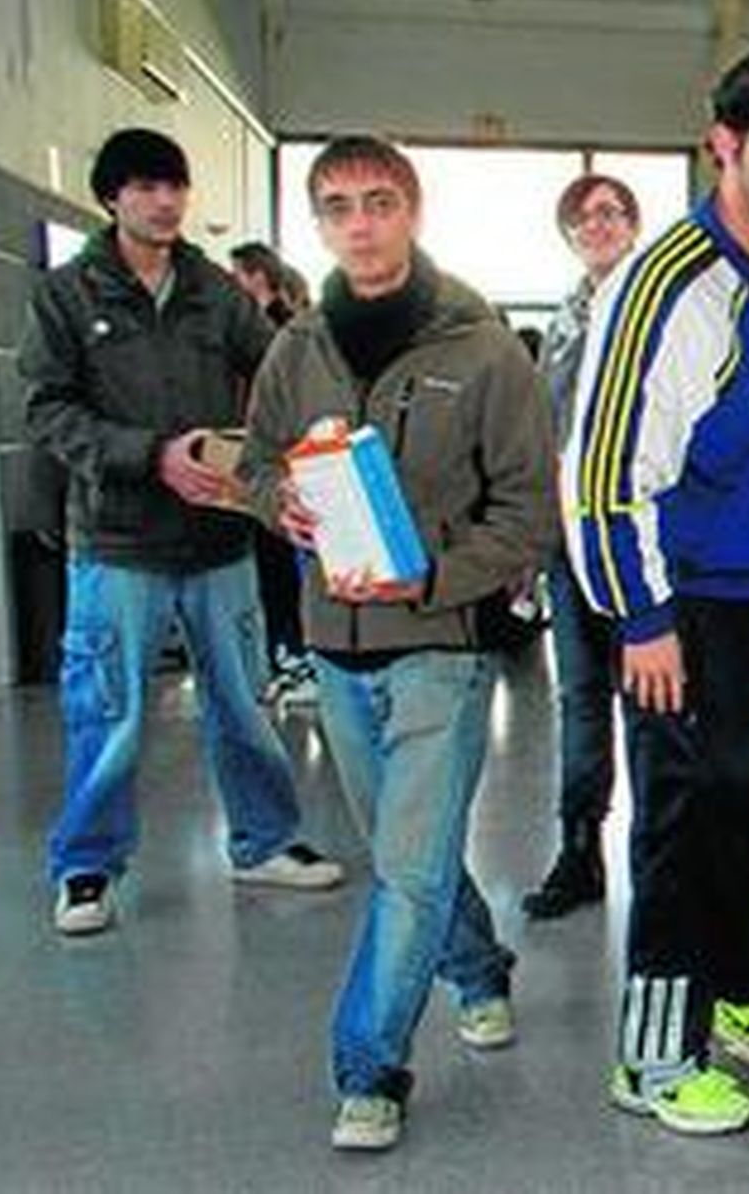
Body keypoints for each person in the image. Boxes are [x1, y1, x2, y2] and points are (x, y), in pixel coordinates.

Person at [238, 135, 558, 1152]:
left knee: (409, 870)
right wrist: (273, 502)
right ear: (320, 224)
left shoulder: (483, 349)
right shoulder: (296, 349)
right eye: (337, 208)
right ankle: (478, 967)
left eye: (379, 202)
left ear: (412, 211)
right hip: (336, 647)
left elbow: (528, 512)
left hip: (443, 647)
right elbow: (254, 464)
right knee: (403, 854)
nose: (360, 224)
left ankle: (367, 1066)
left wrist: (435, 574)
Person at [562, 46, 749, 1135]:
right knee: (680, 831)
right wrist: (641, 621)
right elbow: (600, 475)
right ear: (722, 145)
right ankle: (649, 1057)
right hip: (678, 615)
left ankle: (733, 999)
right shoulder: (667, 284)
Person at [18, 128, 344, 938]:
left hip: (217, 538)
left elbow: (277, 369)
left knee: (243, 701)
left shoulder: (213, 291)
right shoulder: (67, 294)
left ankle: (264, 839)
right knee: (111, 709)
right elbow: (46, 411)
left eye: (175, 187)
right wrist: (148, 456)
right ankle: (87, 866)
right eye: (145, 187)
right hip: (119, 540)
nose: (165, 202)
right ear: (112, 198)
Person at [521, 173, 641, 920]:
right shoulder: (564, 319)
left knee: (657, 704)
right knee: (580, 700)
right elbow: (543, 435)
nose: (596, 225)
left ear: (632, 224)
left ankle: (666, 852)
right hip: (571, 545)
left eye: (610, 212)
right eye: (582, 217)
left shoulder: (657, 304)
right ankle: (579, 846)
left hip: (640, 541)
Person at [229, 239, 310, 698]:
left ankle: (294, 656)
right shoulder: (260, 328)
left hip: (283, 466)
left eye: (237, 273)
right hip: (260, 466)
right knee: (272, 567)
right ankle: (287, 655)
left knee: (279, 565)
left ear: (257, 275)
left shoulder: (286, 333)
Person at [230, 240, 296, 328]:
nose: (232, 277)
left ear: (258, 277)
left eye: (237, 272)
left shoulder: (282, 321)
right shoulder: (248, 312)